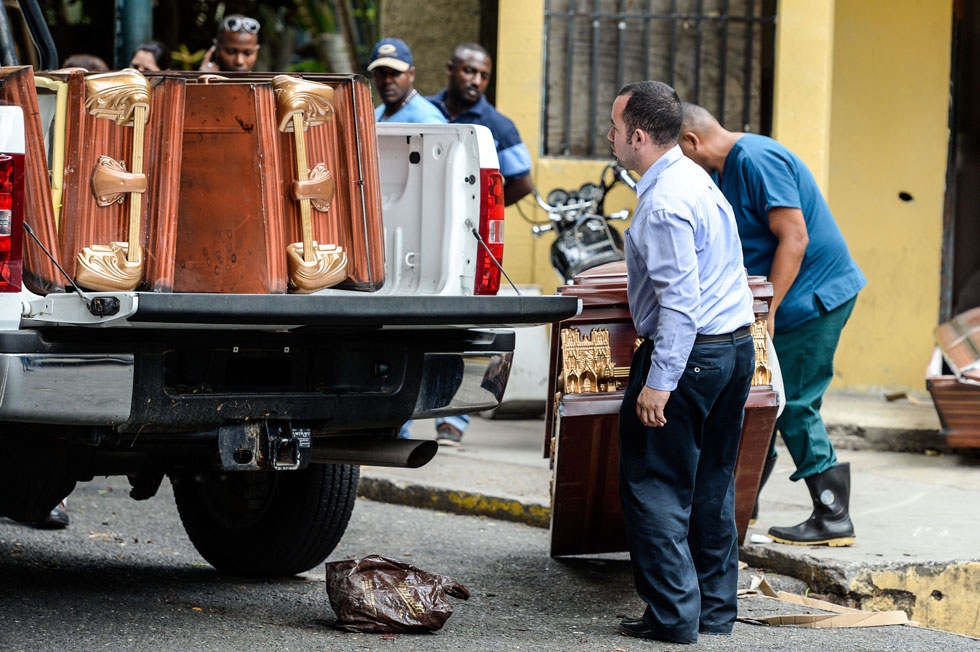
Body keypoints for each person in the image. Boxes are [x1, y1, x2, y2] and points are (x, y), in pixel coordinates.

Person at [679, 103, 866, 547]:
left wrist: (770, 311)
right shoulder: (724, 171)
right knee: (758, 402)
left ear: (691, 142)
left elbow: (794, 237)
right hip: (783, 299)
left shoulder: (758, 159)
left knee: (795, 401)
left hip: (812, 298)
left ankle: (832, 514)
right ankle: (741, 507)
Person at [611, 81, 755, 643]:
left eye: (616, 130)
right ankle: (715, 612)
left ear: (639, 136)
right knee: (712, 485)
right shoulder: (694, 177)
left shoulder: (665, 201)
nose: (611, 138)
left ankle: (673, 618)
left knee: (655, 485)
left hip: (691, 357)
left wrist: (658, 382)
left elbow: (679, 302)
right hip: (733, 349)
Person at [427, 43, 533, 206]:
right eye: (469, 71)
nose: (476, 81)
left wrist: (481, 210)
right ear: (450, 68)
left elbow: (523, 184)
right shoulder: (425, 109)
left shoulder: (499, 126)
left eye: (484, 76)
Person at [367, 38, 446, 124]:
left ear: (411, 74)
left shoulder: (427, 120)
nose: (387, 80)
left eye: (395, 73)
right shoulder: (374, 115)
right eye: (381, 73)